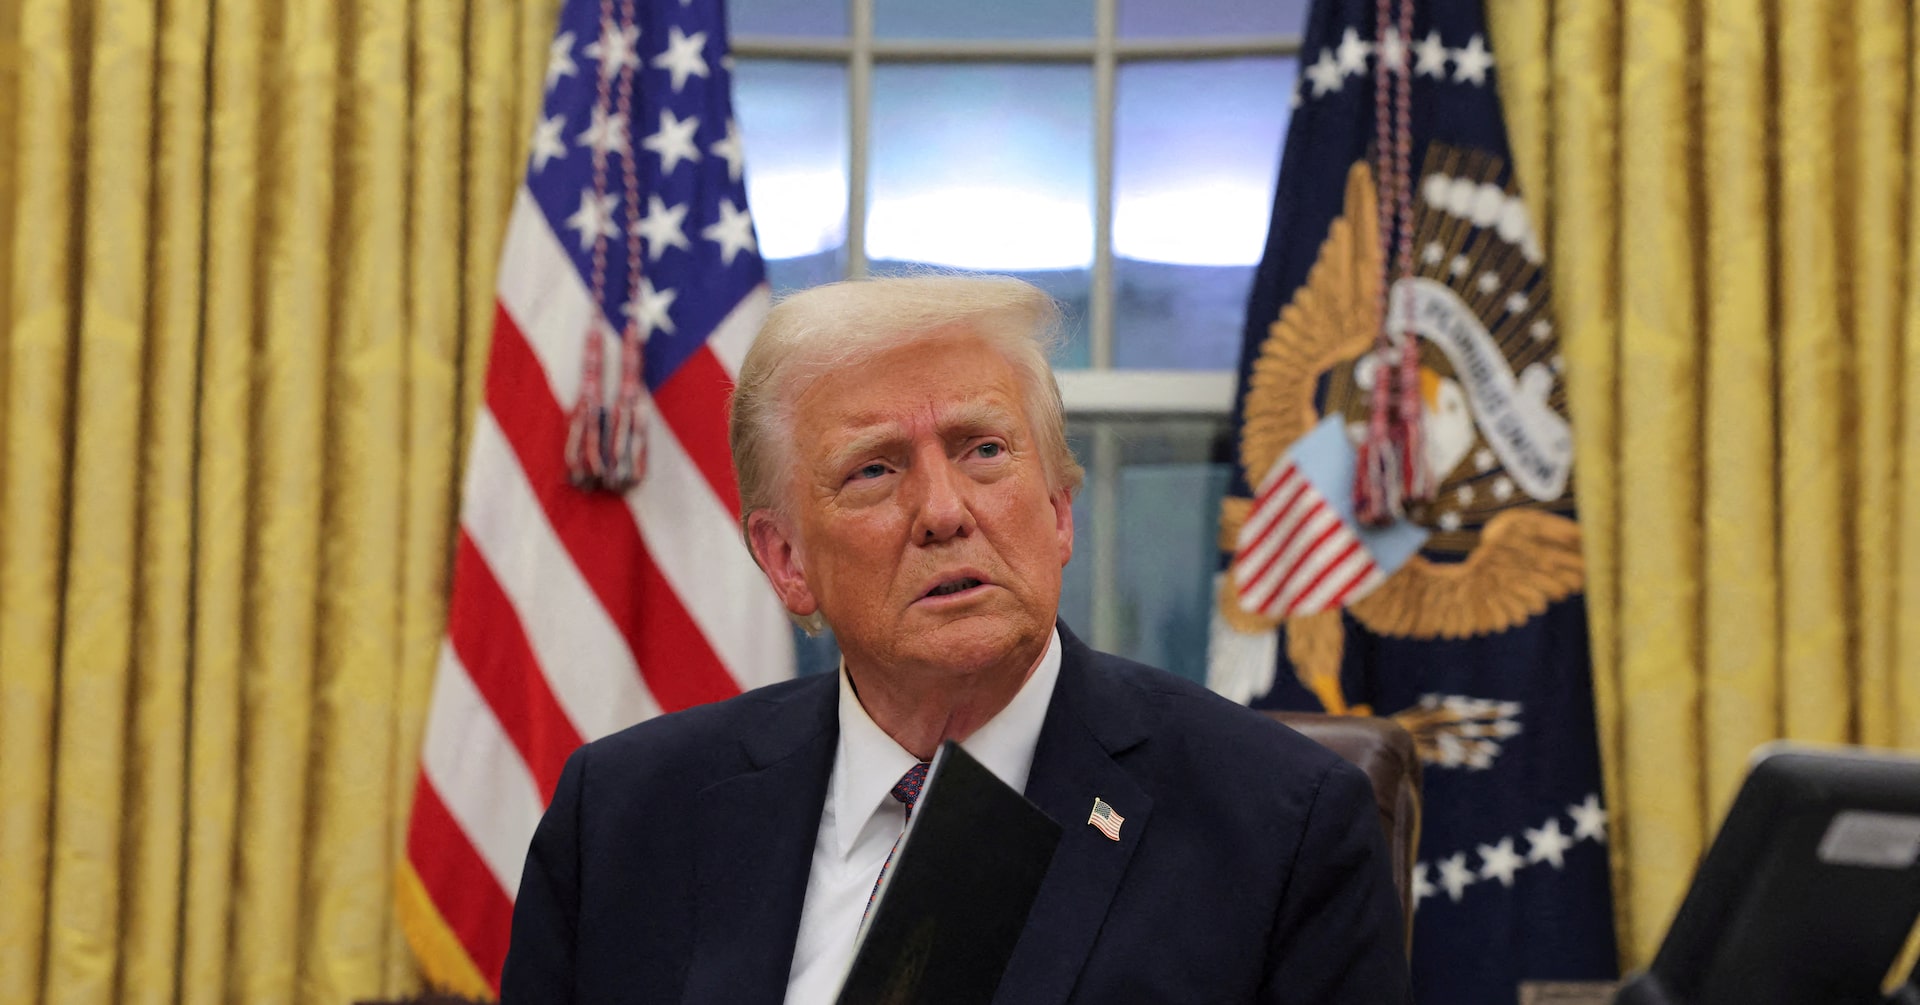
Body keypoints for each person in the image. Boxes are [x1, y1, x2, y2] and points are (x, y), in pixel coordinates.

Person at [500, 274, 1413, 1003]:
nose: (943, 511)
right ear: (785, 560)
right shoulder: (623, 820)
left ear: (1059, 511)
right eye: (874, 469)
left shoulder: (1278, 827)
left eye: (984, 449)